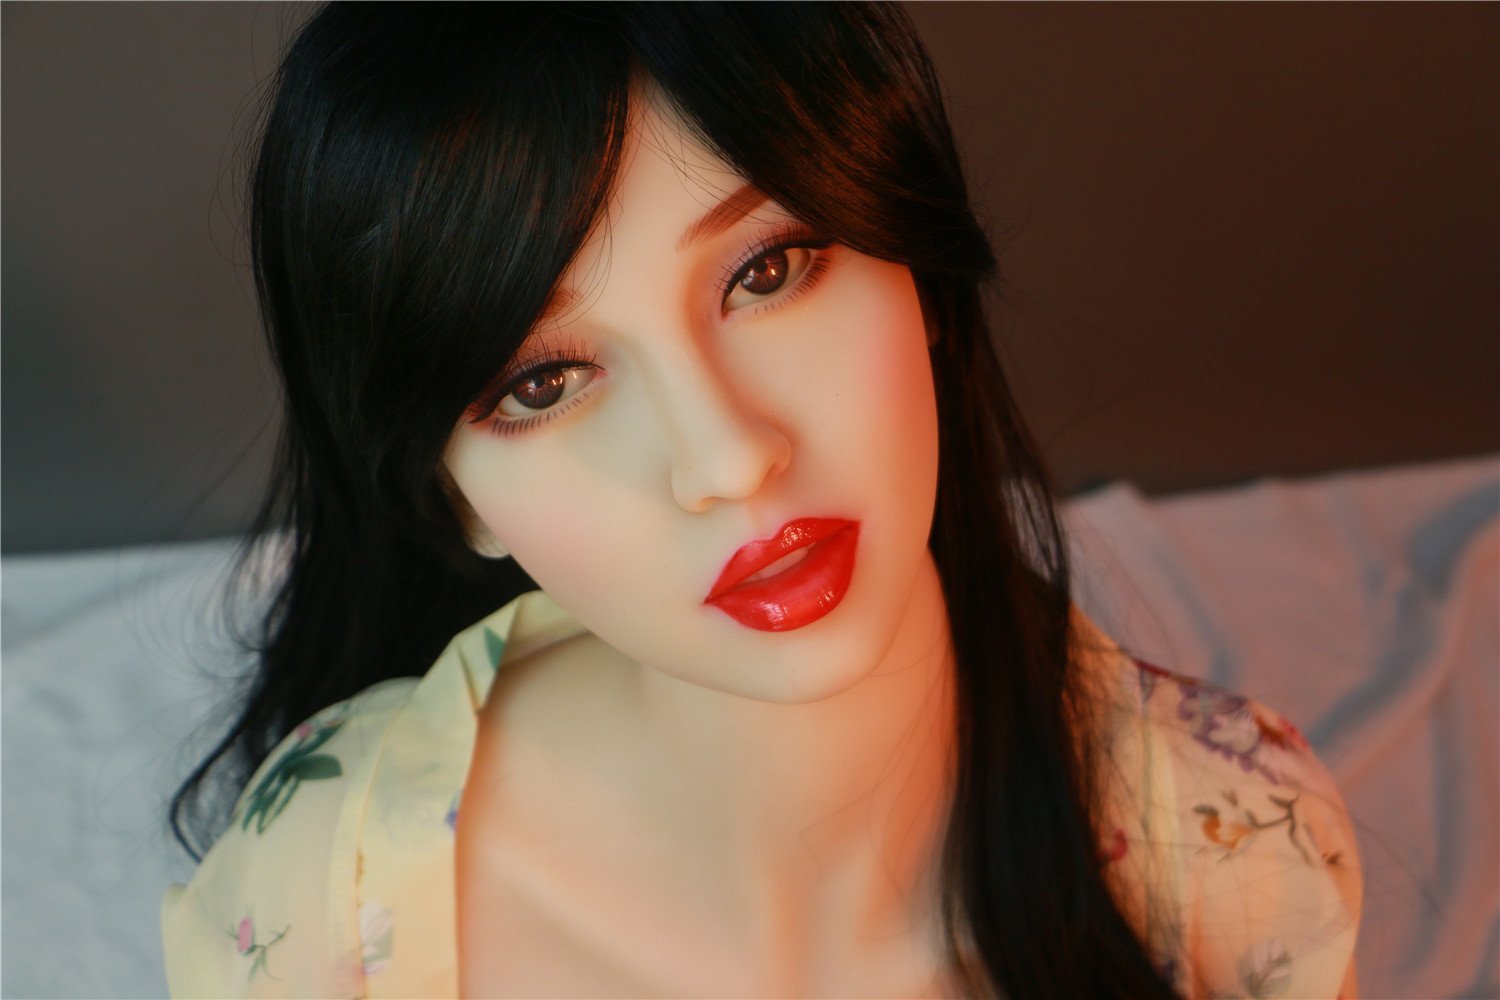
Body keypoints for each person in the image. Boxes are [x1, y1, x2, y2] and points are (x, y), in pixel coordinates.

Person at [162, 4, 1362, 997]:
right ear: (453, 496)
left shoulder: (1243, 860)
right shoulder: (315, 906)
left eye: (767, 270)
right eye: (544, 382)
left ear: (919, 269)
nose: (728, 460)